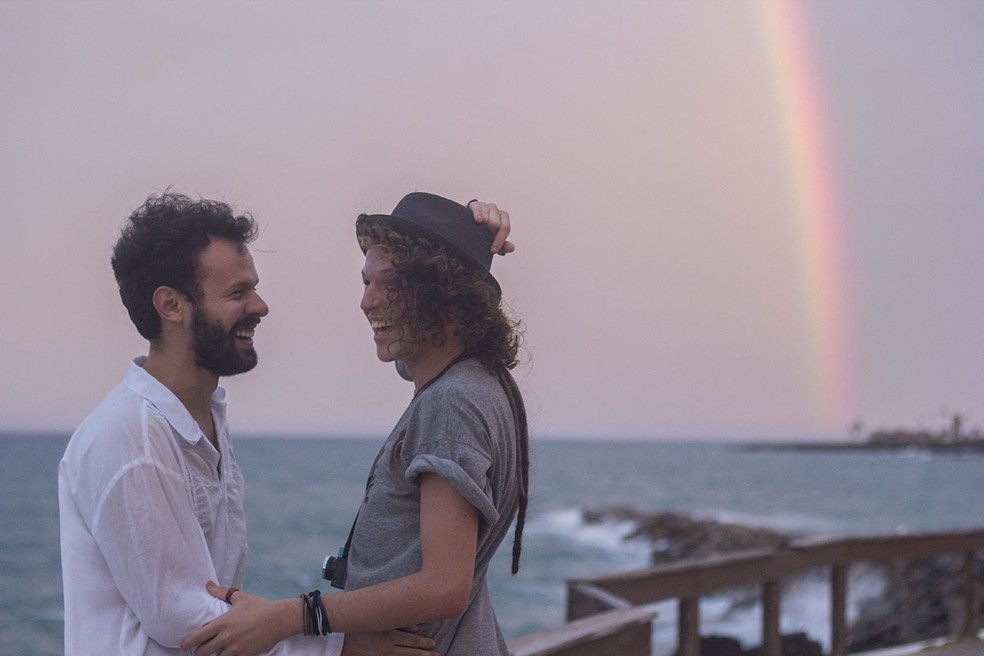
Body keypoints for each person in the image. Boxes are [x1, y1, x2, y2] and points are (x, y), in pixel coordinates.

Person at [58, 191, 512, 656]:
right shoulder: (130, 441)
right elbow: (184, 619)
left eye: (252, 287)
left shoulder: (203, 415)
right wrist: (338, 644)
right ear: (171, 305)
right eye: (238, 293)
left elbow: (435, 347)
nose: (261, 306)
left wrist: (464, 235)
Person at [182, 192, 529, 656]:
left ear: (449, 295)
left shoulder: (451, 403)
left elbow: (445, 587)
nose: (367, 301)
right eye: (366, 282)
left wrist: (288, 618)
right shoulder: (477, 379)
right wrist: (467, 229)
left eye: (390, 285)